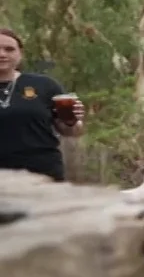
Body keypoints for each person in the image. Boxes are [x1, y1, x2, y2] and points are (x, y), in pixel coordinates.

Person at [0, 28, 86, 182]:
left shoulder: (44, 85)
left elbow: (71, 132)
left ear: (20, 54)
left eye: (9, 49)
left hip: (42, 174)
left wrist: (71, 121)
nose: (2, 54)